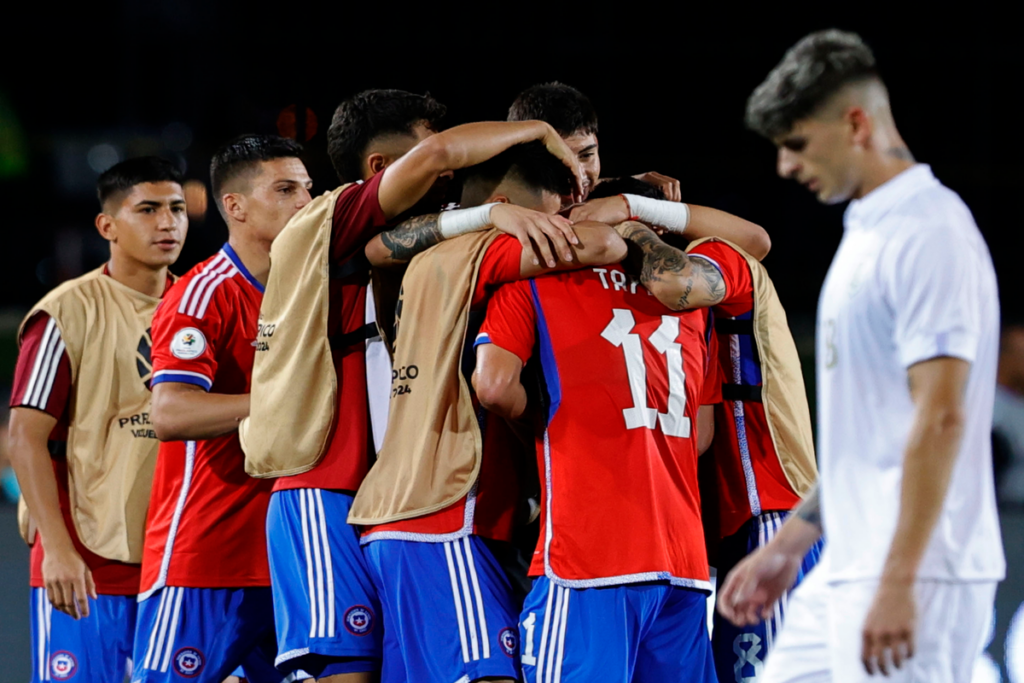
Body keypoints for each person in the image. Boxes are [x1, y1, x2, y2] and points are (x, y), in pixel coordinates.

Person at [240, 89, 587, 683]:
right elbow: (445, 157)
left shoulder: (408, 239)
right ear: (383, 168)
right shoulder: (334, 216)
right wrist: (540, 133)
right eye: (429, 155)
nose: (450, 169)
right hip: (324, 483)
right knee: (345, 673)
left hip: (379, 491)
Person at [718, 29, 1004, 683]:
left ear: (855, 123)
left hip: (919, 569)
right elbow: (874, 435)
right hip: (852, 562)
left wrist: (902, 578)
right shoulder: (869, 231)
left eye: (796, 144)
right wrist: (789, 546)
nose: (786, 167)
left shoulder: (929, 232)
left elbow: (941, 419)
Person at [353, 141, 626, 683]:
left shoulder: (425, 257)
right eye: (547, 219)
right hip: (446, 516)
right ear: (509, 208)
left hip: (399, 515)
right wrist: (626, 209)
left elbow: (378, 248)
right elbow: (603, 245)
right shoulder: (482, 250)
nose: (557, 227)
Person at [473, 215, 755, 682]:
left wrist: (547, 423)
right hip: (681, 562)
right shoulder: (695, 307)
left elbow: (494, 387)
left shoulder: (540, 282)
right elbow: (700, 436)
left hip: (588, 558)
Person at [132, 135, 311, 683]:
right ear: (234, 206)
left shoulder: (306, 290)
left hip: (288, 558)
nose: (305, 203)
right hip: (205, 558)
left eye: (308, 189)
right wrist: (283, 402)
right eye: (284, 190)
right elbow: (171, 413)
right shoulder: (203, 293)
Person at [6, 157, 187, 683]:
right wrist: (58, 551)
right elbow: (25, 438)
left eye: (177, 209)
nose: (167, 223)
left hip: (178, 558)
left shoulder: (199, 301)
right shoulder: (66, 312)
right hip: (85, 559)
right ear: (107, 226)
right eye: (148, 209)